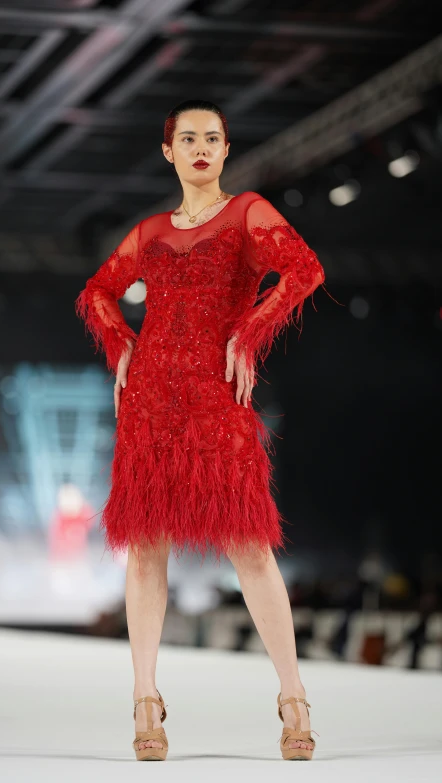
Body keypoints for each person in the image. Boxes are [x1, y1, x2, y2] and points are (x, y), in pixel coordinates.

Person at [75, 99, 325, 761]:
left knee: (250, 543)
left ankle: (293, 695)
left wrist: (249, 333)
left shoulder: (247, 212)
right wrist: (119, 340)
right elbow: (99, 290)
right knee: (147, 548)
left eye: (212, 137)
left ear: (226, 147)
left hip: (217, 398)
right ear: (168, 151)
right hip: (150, 400)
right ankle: (145, 698)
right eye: (188, 138)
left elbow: (303, 269)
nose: (202, 148)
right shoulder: (151, 230)